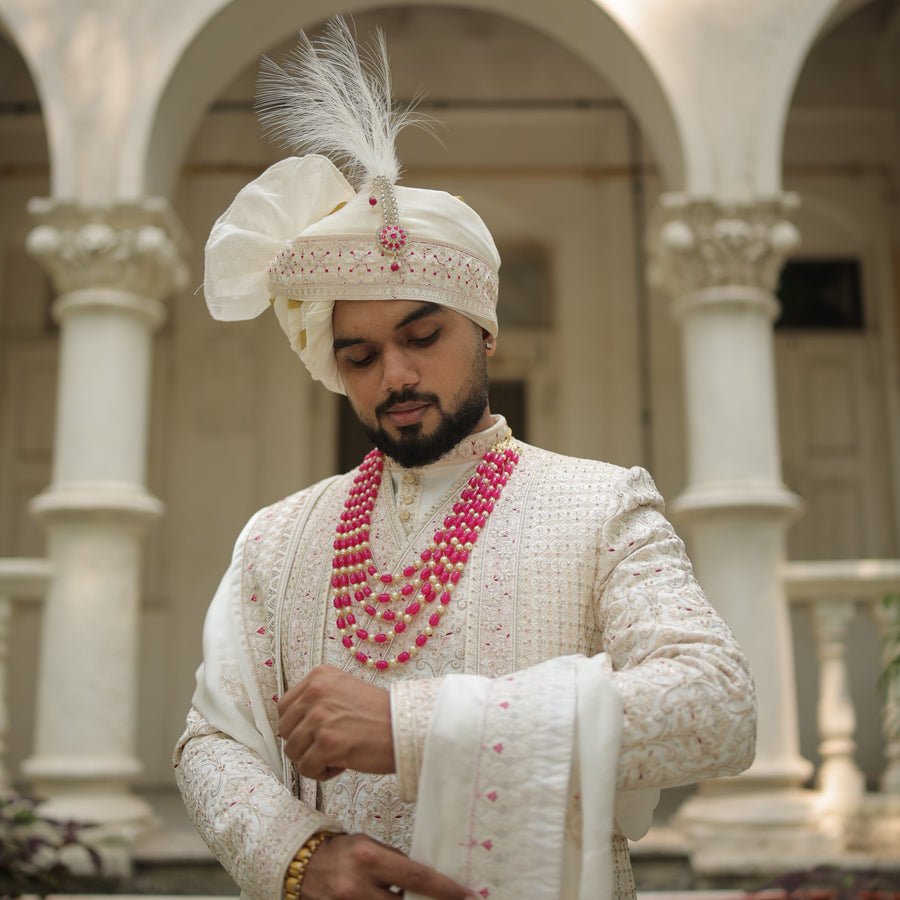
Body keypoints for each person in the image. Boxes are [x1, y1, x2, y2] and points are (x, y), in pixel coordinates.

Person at [173, 18, 756, 900]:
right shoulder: (279, 538)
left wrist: (414, 728)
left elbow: (716, 706)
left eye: (422, 335)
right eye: (360, 356)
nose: (396, 375)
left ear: (483, 329)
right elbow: (212, 740)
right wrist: (300, 857)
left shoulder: (598, 506)